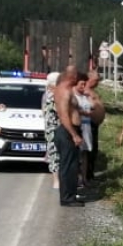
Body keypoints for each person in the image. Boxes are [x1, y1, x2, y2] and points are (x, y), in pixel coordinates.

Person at [53, 65, 86, 205]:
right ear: (72, 76)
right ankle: (66, 198)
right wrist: (74, 135)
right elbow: (63, 116)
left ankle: (71, 195)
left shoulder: (67, 90)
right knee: (67, 166)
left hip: (71, 130)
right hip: (67, 131)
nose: (77, 78)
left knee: (72, 166)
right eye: (76, 75)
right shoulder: (64, 91)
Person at [83, 69, 106, 182]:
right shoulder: (84, 91)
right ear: (89, 79)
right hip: (88, 124)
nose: (98, 82)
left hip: (95, 125)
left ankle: (90, 174)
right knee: (89, 150)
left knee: (94, 150)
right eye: (96, 80)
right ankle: (87, 175)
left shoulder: (92, 91)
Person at [42, 72, 61, 188]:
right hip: (55, 129)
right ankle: (56, 181)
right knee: (55, 155)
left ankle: (56, 180)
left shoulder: (45, 94)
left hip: (50, 129)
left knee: (54, 154)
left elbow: (43, 111)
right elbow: (59, 111)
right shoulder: (53, 95)